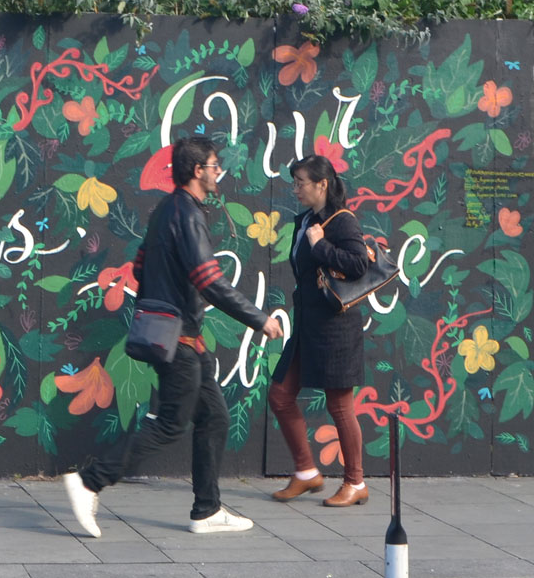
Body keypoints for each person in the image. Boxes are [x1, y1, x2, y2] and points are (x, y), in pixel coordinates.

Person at [64, 136, 284, 537]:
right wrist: (259, 319)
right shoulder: (187, 213)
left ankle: (206, 510)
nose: (219, 172)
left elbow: (143, 265)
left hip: (182, 336)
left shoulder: (166, 209)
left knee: (215, 417)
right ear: (198, 170)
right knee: (169, 424)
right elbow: (209, 280)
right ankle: (90, 481)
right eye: (215, 166)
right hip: (179, 338)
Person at [267, 155, 370, 507]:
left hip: (335, 328)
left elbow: (359, 263)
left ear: (322, 184)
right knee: (280, 395)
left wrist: (320, 245)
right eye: (294, 182)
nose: (295, 189)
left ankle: (355, 482)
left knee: (340, 406)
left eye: (301, 182)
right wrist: (312, 239)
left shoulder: (342, 222)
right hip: (307, 325)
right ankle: (307, 472)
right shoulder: (308, 220)